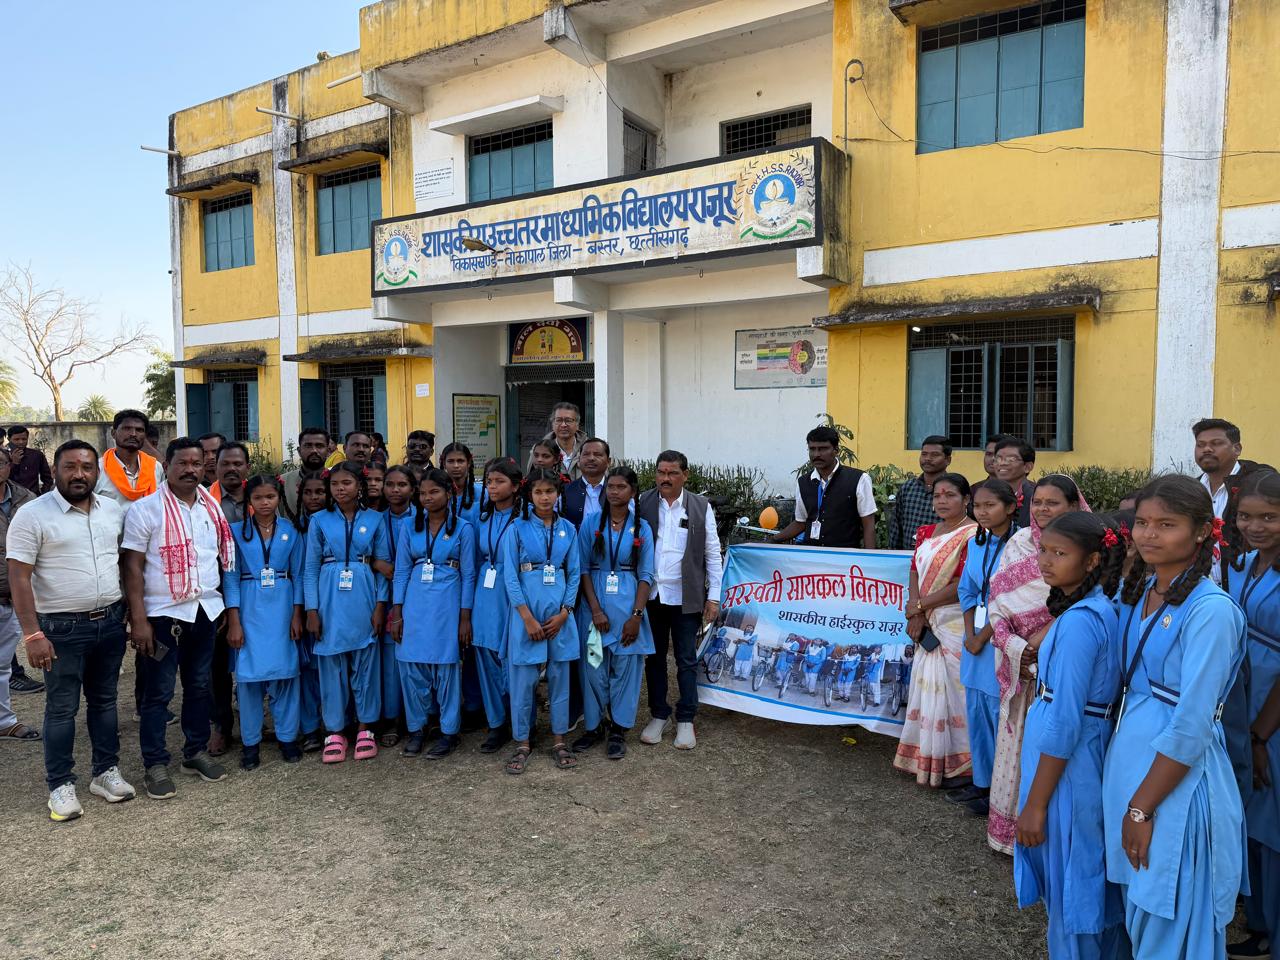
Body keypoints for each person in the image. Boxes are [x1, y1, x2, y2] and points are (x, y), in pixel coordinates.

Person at [1104, 476, 1247, 958]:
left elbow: (1192, 724)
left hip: (1174, 785)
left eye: (1167, 524)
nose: (1149, 534)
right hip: (1133, 766)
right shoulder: (1145, 588)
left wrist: (1141, 808)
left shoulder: (1211, 611)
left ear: (1203, 530)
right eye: (1143, 522)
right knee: (1140, 912)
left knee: (1170, 917)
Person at [1014, 512, 1127, 960]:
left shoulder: (1081, 621)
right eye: (1043, 549)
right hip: (1076, 753)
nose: (1046, 560)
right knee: (1080, 872)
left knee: (1072, 879)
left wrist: (1036, 805)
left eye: (1060, 553)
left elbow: (1066, 721)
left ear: (1093, 560)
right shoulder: (1094, 608)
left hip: (1069, 766)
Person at [8, 440, 132, 821]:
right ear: (55, 470)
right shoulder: (32, 515)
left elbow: (122, 562)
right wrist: (32, 635)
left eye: (87, 467)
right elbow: (19, 577)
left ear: (97, 472)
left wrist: (127, 612)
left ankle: (105, 772)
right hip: (60, 629)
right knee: (62, 708)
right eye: (70, 467)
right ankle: (60, 785)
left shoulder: (112, 510)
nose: (79, 474)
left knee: (105, 701)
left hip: (109, 622)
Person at [123, 437, 237, 801]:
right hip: (162, 616)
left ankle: (194, 752)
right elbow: (132, 567)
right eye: (182, 463)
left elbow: (217, 559)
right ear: (167, 467)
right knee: (158, 693)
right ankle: (155, 763)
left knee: (199, 686)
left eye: (196, 464)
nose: (190, 470)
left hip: (204, 611)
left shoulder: (211, 507)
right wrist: (138, 619)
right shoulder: (145, 510)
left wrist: (220, 606)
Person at [986, 474, 1089, 854]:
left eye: (1053, 502)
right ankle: (1008, 834)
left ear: (1073, 506)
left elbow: (1086, 598)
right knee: (1016, 746)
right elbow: (998, 602)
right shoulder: (1018, 543)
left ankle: (1044, 832)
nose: (1043, 508)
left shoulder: (1086, 545)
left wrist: (1042, 637)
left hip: (1061, 662)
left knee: (1051, 745)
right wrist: (1013, 645)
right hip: (1019, 664)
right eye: (1037, 501)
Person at [1224, 470, 1280, 958]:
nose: (1255, 526)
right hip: (1242, 700)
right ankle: (1259, 924)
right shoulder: (1242, 564)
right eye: (1246, 516)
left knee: (1272, 825)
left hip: (1272, 714)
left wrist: (1261, 736)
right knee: (1251, 819)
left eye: (1269, 517)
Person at [302, 461, 390, 764]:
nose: (340, 489)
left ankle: (366, 727)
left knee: (366, 663)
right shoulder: (319, 520)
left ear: (360, 486)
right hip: (329, 596)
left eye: (347, 483)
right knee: (331, 665)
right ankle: (335, 730)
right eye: (335, 484)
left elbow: (383, 567)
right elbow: (310, 569)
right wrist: (312, 609)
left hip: (364, 593)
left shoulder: (376, 519)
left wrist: (380, 606)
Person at [893, 472, 977, 787]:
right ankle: (925, 757)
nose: (942, 501)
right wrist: (916, 610)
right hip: (927, 618)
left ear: (966, 499)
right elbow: (915, 570)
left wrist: (919, 606)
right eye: (937, 495)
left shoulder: (973, 535)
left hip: (953, 621)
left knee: (954, 691)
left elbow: (962, 584)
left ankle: (960, 766)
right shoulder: (926, 532)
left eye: (950, 495)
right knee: (927, 686)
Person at [638, 450, 723, 751]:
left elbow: (712, 553)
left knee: (686, 658)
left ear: (685, 475)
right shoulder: (644, 502)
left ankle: (686, 717)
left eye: (672, 473)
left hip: (687, 597)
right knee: (654, 658)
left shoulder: (700, 506)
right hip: (652, 595)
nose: (666, 478)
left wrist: (714, 598)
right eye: (661, 472)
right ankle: (659, 714)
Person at [390, 468, 476, 760]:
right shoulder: (409, 527)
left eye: (434, 492)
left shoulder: (463, 528)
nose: (427, 498)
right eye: (423, 493)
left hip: (447, 604)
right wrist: (397, 612)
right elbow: (401, 571)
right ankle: (417, 729)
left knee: (446, 667)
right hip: (415, 603)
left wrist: (465, 618)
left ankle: (449, 731)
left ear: (449, 493)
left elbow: (469, 575)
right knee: (411, 665)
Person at [222, 476, 305, 771]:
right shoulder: (235, 532)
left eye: (270, 496)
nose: (265, 502)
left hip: (283, 605)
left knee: (286, 674)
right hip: (250, 606)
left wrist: (297, 613)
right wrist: (234, 620)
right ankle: (250, 742)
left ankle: (287, 737)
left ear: (279, 498)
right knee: (249, 678)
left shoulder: (291, 531)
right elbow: (230, 577)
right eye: (258, 497)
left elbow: (298, 574)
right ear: (249, 501)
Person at [501, 467, 581, 774]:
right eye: (538, 492)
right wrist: (526, 617)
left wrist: (565, 613)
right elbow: (510, 575)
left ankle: (559, 739)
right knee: (523, 680)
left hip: (559, 616)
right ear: (529, 495)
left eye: (550, 491)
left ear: (558, 494)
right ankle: (522, 741)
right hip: (527, 615)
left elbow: (574, 573)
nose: (544, 497)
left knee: (560, 677)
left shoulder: (568, 529)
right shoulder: (516, 528)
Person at [573, 466, 655, 760]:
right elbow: (582, 568)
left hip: (628, 605)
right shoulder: (591, 523)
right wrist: (595, 610)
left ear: (633, 492)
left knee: (626, 669)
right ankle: (594, 726)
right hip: (594, 605)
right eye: (610, 487)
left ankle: (619, 728)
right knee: (593, 668)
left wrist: (636, 616)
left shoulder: (642, 527)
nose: (614, 492)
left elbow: (646, 575)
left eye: (621, 487)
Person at [951, 479, 1019, 815]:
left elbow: (1010, 599)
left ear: (1010, 507)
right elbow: (966, 590)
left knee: (996, 713)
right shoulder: (976, 542)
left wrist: (983, 636)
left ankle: (999, 790)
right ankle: (981, 782)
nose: (982, 512)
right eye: (977, 506)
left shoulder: (1020, 546)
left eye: (990, 505)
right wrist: (970, 632)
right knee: (976, 711)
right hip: (974, 637)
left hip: (999, 638)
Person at [471, 458, 522, 754]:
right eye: (489, 481)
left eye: (499, 481)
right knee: (486, 654)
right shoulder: (481, 518)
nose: (492, 487)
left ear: (515, 487)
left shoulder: (525, 518)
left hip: (513, 591)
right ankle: (496, 723)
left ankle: (522, 720)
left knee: (514, 658)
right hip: (486, 592)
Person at [208, 441, 250, 757]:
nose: (232, 469)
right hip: (216, 591)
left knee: (257, 655)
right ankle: (221, 725)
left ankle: (257, 720)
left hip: (258, 590)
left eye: (238, 463)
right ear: (216, 466)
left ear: (247, 467)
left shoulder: (262, 496)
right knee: (217, 663)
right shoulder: (204, 501)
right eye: (226, 464)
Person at [773, 426, 877, 549]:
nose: (816, 454)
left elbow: (868, 524)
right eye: (812, 449)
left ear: (836, 450)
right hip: (810, 553)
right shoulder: (803, 482)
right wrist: (773, 540)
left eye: (823, 449)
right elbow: (801, 522)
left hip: (844, 555)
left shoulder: (859, 479)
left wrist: (870, 557)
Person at [375, 465, 416, 748]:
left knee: (417, 657)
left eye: (402, 485)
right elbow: (363, 553)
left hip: (420, 595)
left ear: (413, 489)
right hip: (385, 595)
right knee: (390, 661)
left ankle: (421, 716)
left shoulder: (422, 518)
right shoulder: (376, 520)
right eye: (390, 484)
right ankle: (391, 717)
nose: (395, 490)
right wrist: (376, 563)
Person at [0, 447, 39, 741]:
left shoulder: (27, 500)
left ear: (9, 465)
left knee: (3, 665)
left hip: (12, 595)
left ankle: (4, 721)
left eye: (0, 462)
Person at [294, 474, 328, 753]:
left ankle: (335, 721)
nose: (314, 497)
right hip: (301, 606)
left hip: (329, 603)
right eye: (308, 492)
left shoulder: (333, 525)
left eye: (320, 492)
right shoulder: (294, 528)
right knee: (305, 668)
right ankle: (310, 727)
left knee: (328, 666)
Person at [887, 436, 953, 550]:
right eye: (924, 454)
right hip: (907, 556)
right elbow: (896, 527)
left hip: (941, 556)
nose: (927, 459)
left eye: (935, 455)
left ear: (948, 460)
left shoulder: (954, 491)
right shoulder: (908, 488)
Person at [95, 409, 165, 512]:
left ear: (144, 436)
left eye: (139, 430)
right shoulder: (97, 469)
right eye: (127, 428)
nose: (133, 434)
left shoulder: (156, 467)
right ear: (113, 433)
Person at [280, 427, 329, 522]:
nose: (314, 450)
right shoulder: (282, 482)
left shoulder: (337, 482)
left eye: (319, 446)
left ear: (328, 451)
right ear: (299, 451)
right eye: (308, 446)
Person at [529, 402, 587, 480]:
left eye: (568, 420)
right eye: (558, 420)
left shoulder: (588, 449)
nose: (563, 425)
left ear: (577, 425)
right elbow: (531, 478)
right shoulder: (539, 449)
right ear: (552, 424)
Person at [561, 437, 609, 529]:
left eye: (597, 454)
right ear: (578, 461)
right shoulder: (565, 491)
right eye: (586, 454)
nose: (591, 458)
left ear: (608, 461)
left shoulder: (617, 490)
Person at [992, 437, 1038, 529]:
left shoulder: (1035, 497)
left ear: (1027, 467)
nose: (1002, 463)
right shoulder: (986, 493)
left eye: (1011, 459)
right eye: (998, 459)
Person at [440, 442, 481, 527]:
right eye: (450, 461)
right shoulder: (437, 493)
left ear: (468, 463)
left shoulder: (482, 493)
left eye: (460, 461)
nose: (456, 466)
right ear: (444, 463)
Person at [7, 425, 52, 495]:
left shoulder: (36, 455)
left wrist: (43, 494)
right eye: (16, 439)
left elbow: (47, 479)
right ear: (9, 439)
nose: (21, 442)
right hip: (11, 497)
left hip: (33, 497)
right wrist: (14, 463)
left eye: (24, 439)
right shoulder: (3, 456)